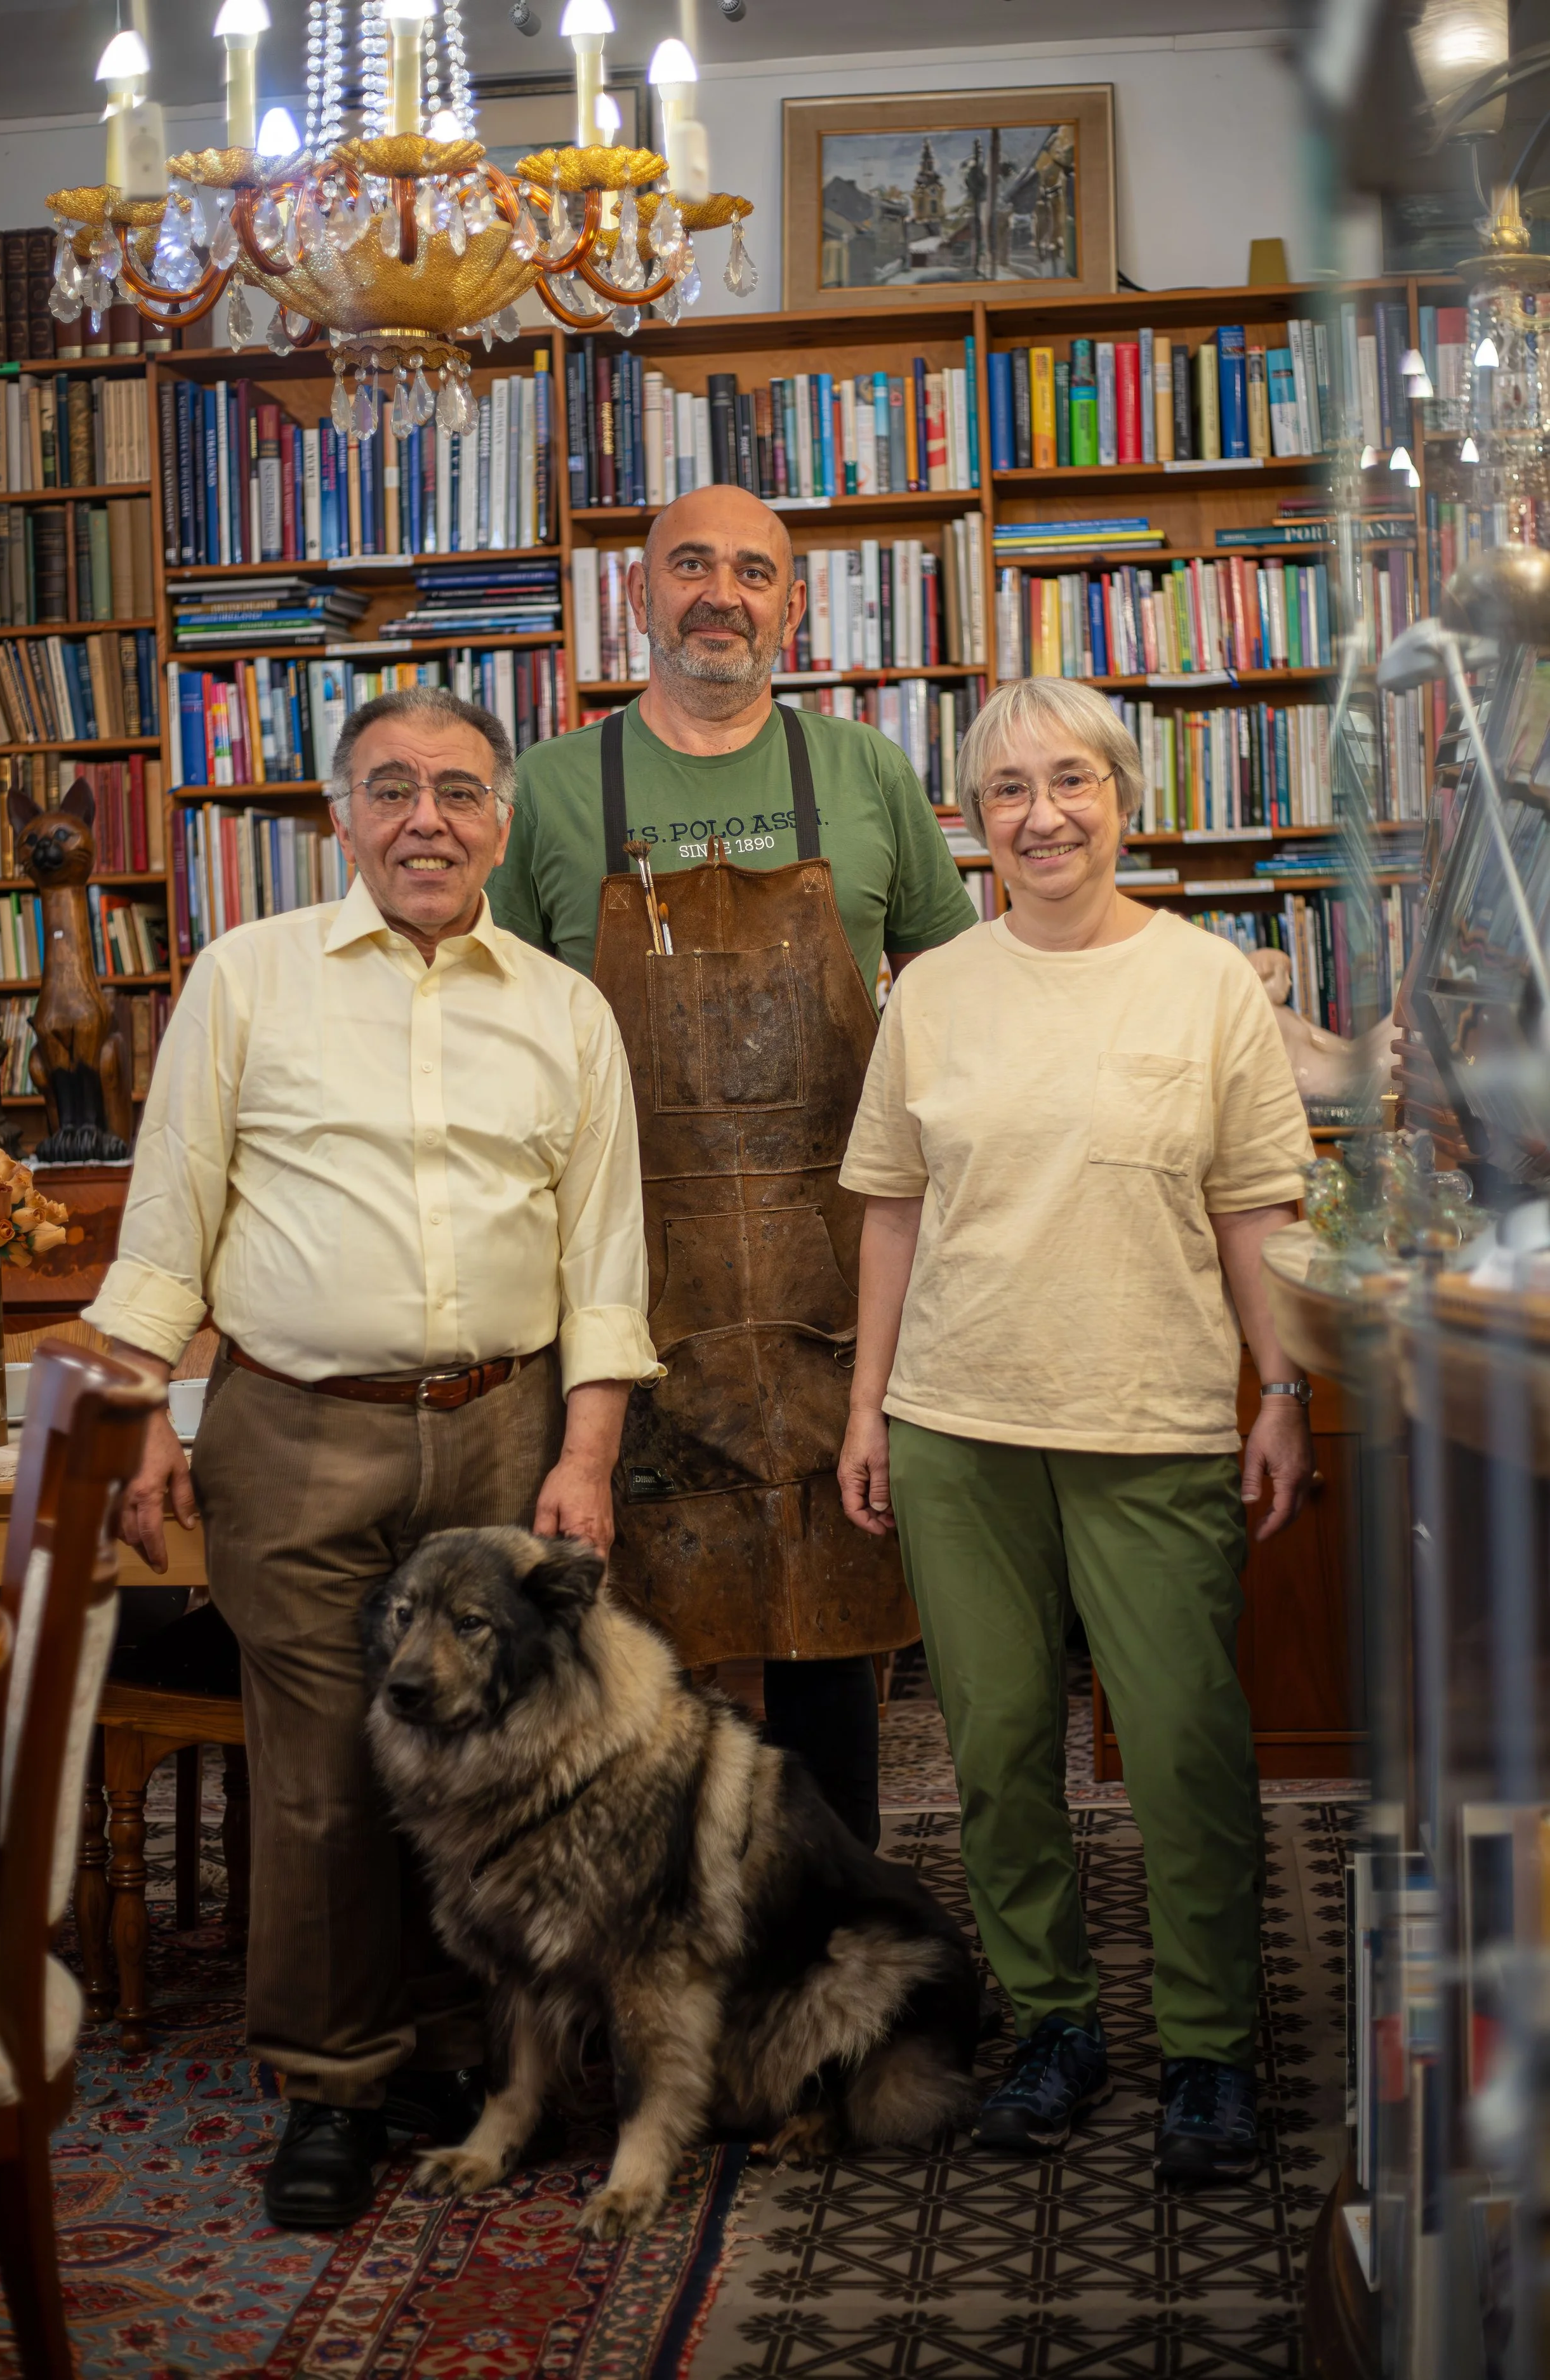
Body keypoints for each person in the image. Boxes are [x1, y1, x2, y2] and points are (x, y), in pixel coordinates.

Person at [86, 685, 659, 2231]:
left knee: (492, 1770)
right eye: (393, 789)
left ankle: (467, 2057)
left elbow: (606, 1252)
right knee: (331, 1774)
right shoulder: (245, 978)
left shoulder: (562, 1008)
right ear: (339, 815)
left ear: (502, 820)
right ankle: (333, 2082)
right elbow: (170, 1208)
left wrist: (586, 1449)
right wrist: (143, 1402)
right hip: (295, 1429)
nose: (427, 819)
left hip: (501, 1425)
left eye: (460, 792)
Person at [836, 677, 1315, 2186]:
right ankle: (1052, 2025)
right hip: (956, 1426)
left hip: (1150, 1419)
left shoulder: (1208, 983)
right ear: (972, 827)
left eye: (1067, 782)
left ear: (1122, 795)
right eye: (1003, 793)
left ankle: (1207, 2052)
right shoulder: (933, 993)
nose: (1039, 815)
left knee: (1181, 1751)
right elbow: (892, 1208)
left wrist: (1280, 1389)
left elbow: (1255, 1209)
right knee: (995, 1752)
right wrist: (865, 1404)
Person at [493, 485, 975, 1849]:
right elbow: (499, 1030)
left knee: (830, 1637)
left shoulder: (864, 772)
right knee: (635, 1665)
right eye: (689, 564)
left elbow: (945, 998)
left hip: (835, 1289)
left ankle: (830, 1942)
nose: (721, 592)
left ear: (793, 605)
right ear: (637, 594)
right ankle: (660, 1957)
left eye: (752, 571)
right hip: (623, 1290)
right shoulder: (547, 787)